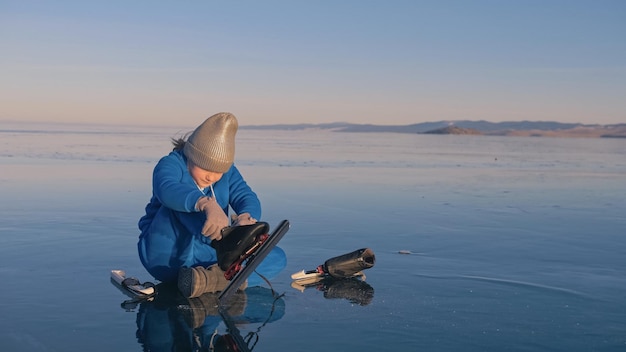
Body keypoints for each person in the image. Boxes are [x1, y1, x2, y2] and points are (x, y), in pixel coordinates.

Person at [137, 112, 286, 298]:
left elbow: (244, 194)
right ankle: (225, 277)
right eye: (204, 167)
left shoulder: (228, 172)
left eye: (218, 172)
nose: (211, 176)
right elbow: (167, 189)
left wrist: (246, 216)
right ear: (191, 155)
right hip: (165, 255)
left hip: (208, 256)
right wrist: (205, 204)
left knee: (276, 257)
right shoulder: (171, 164)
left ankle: (211, 280)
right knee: (176, 206)